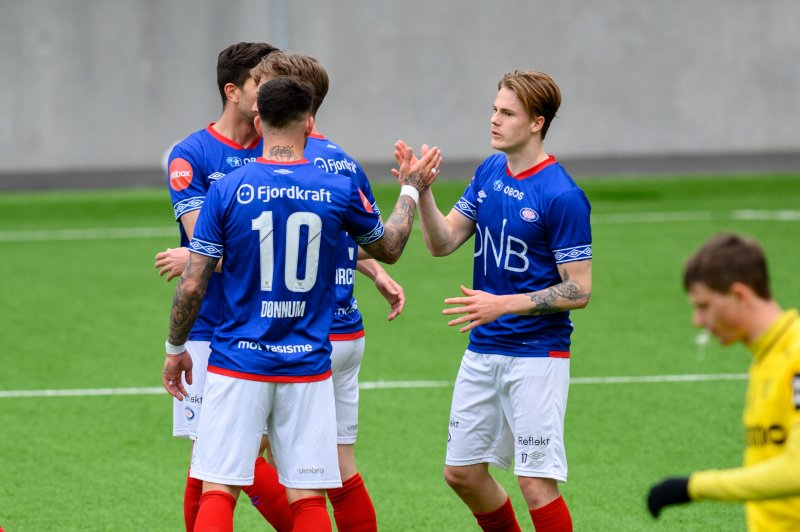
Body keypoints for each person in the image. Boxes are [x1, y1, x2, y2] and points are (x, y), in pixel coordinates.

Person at [162, 76, 441, 531]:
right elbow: (388, 246)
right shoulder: (335, 187)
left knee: (217, 487)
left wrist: (176, 351)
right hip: (309, 363)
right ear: (309, 122)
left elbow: (192, 285)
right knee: (308, 496)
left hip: (238, 360)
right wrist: (410, 189)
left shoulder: (229, 188)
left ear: (259, 119)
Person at [400, 70, 592, 531]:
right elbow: (442, 242)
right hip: (484, 350)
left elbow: (579, 289)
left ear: (536, 123)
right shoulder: (489, 171)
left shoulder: (562, 194)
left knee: (535, 482)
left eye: (507, 113)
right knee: (462, 473)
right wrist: (422, 192)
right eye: (494, 109)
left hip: (536, 356)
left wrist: (503, 304)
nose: (494, 119)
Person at [250, 50, 402, 531]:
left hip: (295, 335)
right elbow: (343, 237)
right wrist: (374, 270)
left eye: (266, 83)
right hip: (345, 331)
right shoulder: (343, 163)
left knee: (236, 461)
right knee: (339, 468)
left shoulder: (277, 163)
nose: (257, 93)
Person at [156, 41, 295, 532]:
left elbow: (306, 230)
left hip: (277, 323)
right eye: (264, 82)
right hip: (210, 327)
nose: (276, 90)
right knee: (212, 458)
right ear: (234, 92)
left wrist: (370, 267)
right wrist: (201, 255)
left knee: (223, 460)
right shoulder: (191, 155)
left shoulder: (279, 144)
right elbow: (203, 240)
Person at [647, 233, 800, 531]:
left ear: (739, 295)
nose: (697, 321)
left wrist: (694, 487)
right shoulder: (765, 358)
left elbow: (797, 470)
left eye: (704, 306)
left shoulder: (796, 354)